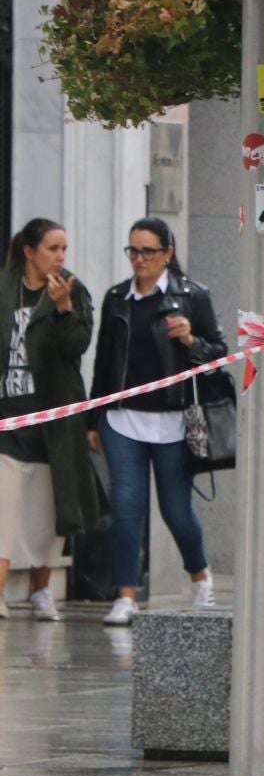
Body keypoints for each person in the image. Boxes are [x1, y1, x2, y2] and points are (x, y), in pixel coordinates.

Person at [87, 218, 226, 626]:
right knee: (127, 507)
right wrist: (94, 418)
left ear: (168, 252)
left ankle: (199, 575)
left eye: (147, 251)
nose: (139, 259)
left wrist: (190, 340)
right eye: (133, 250)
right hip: (122, 419)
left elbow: (218, 354)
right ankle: (125, 595)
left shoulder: (192, 296)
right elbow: (103, 361)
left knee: (176, 511)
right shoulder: (117, 298)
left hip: (174, 420)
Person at [1, 219, 106, 621]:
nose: (61, 256)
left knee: (47, 510)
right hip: (7, 418)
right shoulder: (5, 288)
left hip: (53, 417)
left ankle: (42, 590)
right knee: (4, 509)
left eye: (64, 249)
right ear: (29, 251)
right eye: (52, 248)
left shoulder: (73, 291)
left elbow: (77, 345)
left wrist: (63, 308)